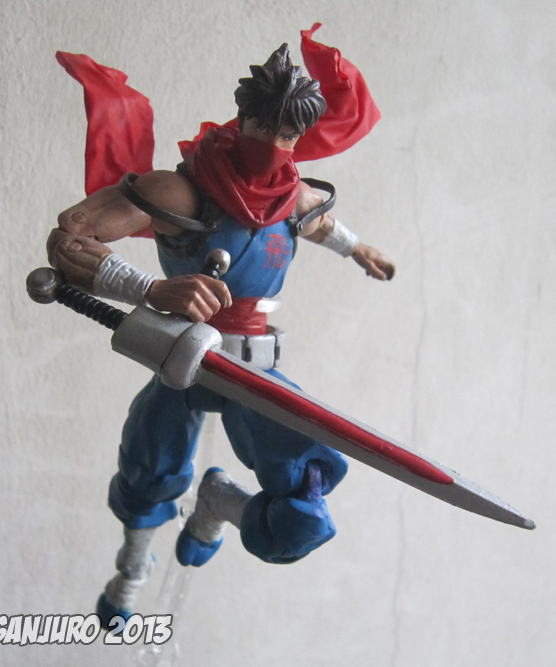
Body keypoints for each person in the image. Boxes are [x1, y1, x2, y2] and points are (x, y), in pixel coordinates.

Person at [48, 42, 395, 625]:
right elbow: (68, 241)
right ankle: (131, 572)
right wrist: (150, 289)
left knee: (304, 503)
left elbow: (324, 225)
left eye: (288, 135)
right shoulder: (180, 192)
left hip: (252, 369)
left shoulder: (294, 199)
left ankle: (218, 507)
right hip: (181, 358)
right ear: (243, 119)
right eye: (263, 127)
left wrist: (360, 250)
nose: (274, 144)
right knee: (147, 475)